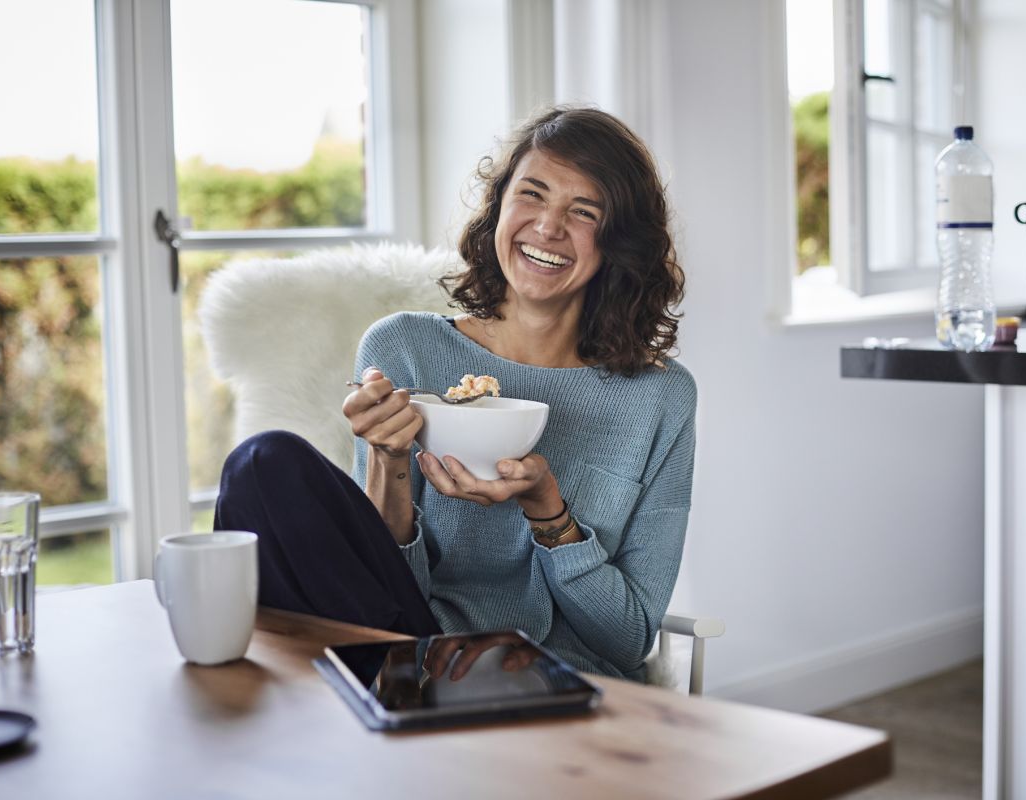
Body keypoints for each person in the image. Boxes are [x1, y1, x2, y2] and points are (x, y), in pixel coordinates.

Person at [215, 106, 695, 681]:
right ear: (499, 208)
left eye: (584, 211)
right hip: (414, 646)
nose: (547, 227)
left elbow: (628, 640)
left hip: (555, 675)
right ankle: (369, 706)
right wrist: (391, 461)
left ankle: (361, 719)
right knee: (262, 463)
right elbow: (383, 584)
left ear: (619, 242)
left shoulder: (660, 398)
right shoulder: (404, 347)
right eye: (533, 195)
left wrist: (548, 512)